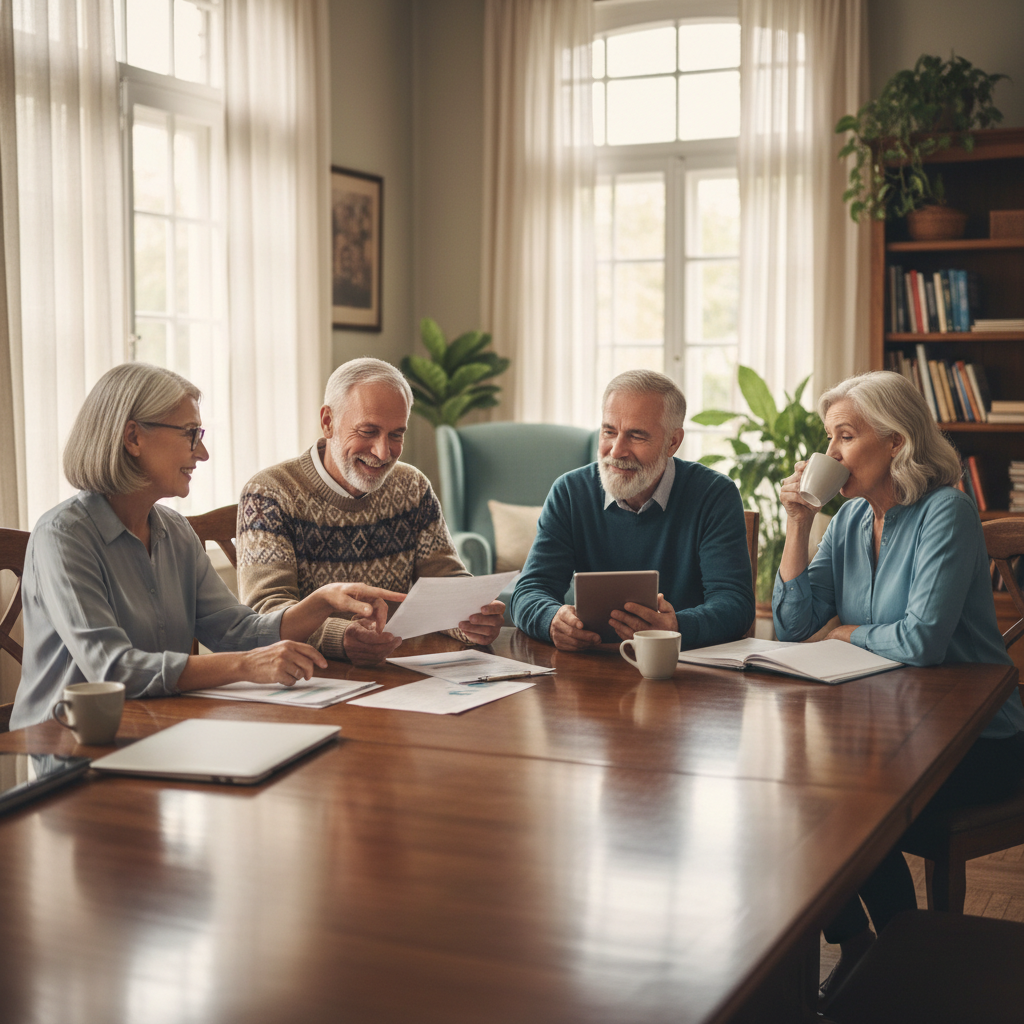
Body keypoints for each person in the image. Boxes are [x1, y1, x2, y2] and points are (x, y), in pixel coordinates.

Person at [773, 369, 1024, 1006]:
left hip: (982, 738)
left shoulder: (948, 510)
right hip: (888, 726)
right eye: (828, 440)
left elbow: (921, 642)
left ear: (895, 441)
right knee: (803, 790)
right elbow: (795, 624)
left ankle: (904, 963)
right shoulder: (851, 518)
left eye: (844, 437)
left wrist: (844, 633)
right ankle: (866, 944)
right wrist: (800, 526)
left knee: (851, 805)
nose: (828, 455)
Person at [10, 363, 404, 731]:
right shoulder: (63, 535)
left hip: (156, 730)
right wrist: (247, 666)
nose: (202, 452)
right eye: (190, 434)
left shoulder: (175, 532)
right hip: (62, 748)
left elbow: (238, 630)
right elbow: (113, 669)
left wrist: (321, 602)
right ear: (133, 437)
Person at [237, 357, 504, 666]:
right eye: (368, 431)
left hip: (403, 672)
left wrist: (471, 621)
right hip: (312, 677)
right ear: (328, 422)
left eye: (396, 434)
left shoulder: (412, 486)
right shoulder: (269, 493)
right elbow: (266, 614)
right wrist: (341, 637)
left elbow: (444, 584)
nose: (383, 452)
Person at [510, 369, 755, 650]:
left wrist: (676, 628)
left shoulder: (714, 495)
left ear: (672, 442)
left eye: (636, 436)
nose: (616, 451)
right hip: (590, 668)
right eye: (609, 432)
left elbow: (735, 605)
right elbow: (529, 591)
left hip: (683, 670)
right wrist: (551, 619)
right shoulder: (569, 492)